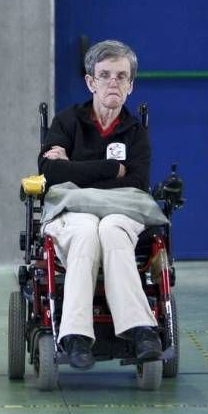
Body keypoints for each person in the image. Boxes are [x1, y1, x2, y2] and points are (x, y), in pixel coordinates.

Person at [37, 40, 162, 370]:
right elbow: (50, 172)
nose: (113, 83)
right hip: (72, 212)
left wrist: (75, 170)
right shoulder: (67, 122)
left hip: (123, 211)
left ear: (131, 85)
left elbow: (136, 183)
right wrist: (108, 169)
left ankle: (140, 330)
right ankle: (76, 336)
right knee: (86, 231)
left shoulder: (134, 132)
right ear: (90, 81)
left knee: (110, 229)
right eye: (105, 75)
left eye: (122, 76)